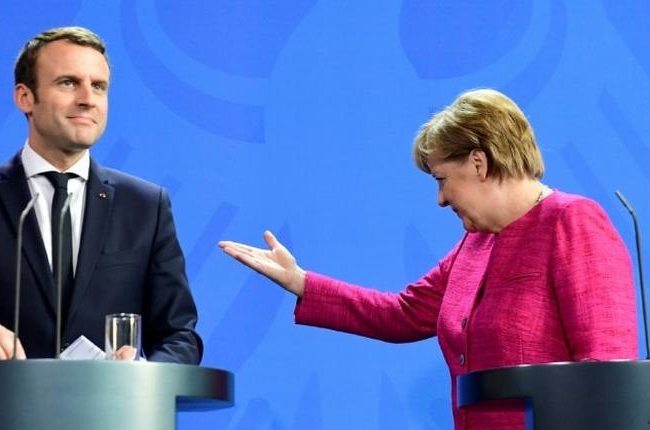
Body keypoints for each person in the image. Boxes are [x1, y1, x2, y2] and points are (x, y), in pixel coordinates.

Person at [218, 88, 637, 429]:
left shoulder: (572, 222)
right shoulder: (475, 244)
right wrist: (301, 282)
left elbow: (606, 372)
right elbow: (402, 313)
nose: (440, 199)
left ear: (479, 163)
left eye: (442, 180)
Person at [0, 26, 202, 364]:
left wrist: (140, 375)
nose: (87, 98)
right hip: (1, 411)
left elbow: (180, 336)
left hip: (113, 413)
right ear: (25, 97)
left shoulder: (146, 206)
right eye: (68, 83)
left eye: (98, 86)